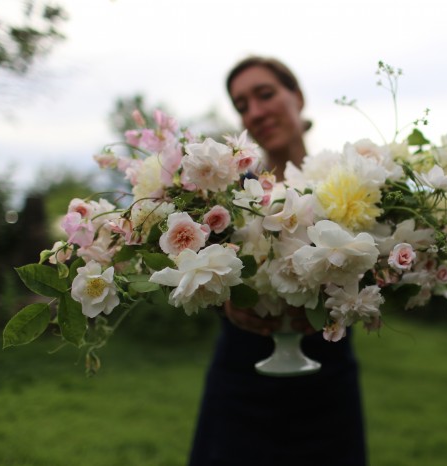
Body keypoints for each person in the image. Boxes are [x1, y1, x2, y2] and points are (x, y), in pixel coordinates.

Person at [187, 56, 367, 466]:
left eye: (264, 94)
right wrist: (229, 303)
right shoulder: (230, 193)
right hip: (241, 378)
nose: (254, 111)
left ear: (297, 96)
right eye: (242, 105)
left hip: (327, 375)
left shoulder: (348, 183)